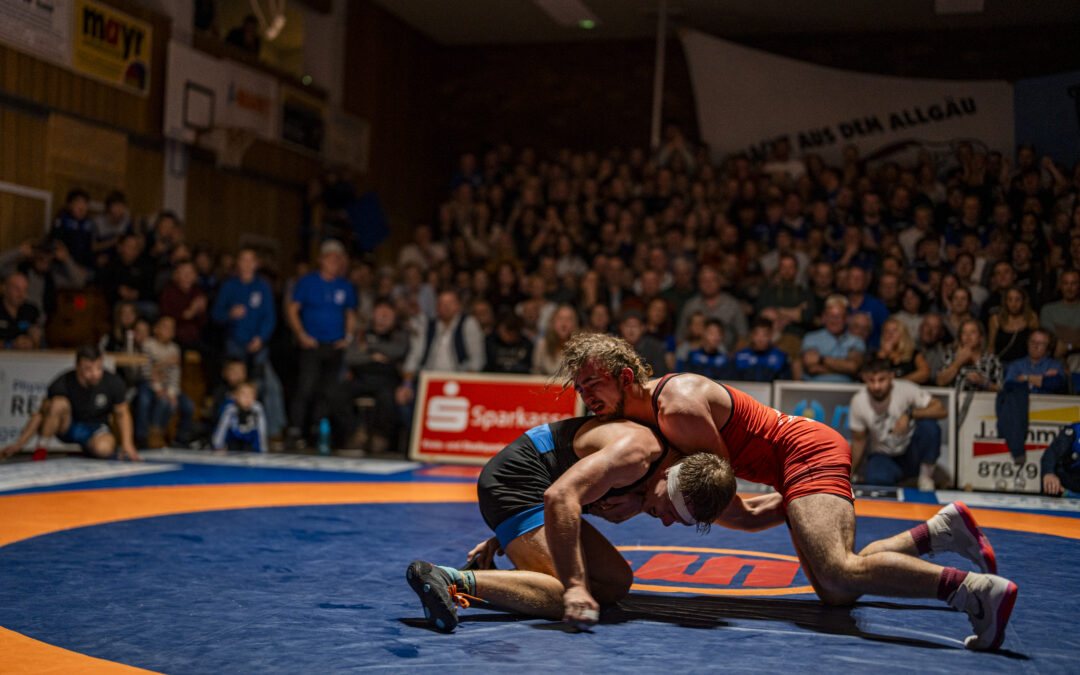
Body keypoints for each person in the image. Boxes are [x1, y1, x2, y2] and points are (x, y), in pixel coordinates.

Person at [552, 332, 1016, 649]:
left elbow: (719, 488)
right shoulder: (642, 414)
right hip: (788, 467)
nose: (585, 394)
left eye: (593, 383)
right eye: (580, 385)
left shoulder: (675, 407)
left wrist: (640, 504)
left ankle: (974, 593)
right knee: (837, 592)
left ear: (626, 376)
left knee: (836, 567)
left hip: (805, 454)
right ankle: (938, 532)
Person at [405, 415, 737, 632]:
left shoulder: (651, 488)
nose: (665, 522)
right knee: (566, 595)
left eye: (677, 522)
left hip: (538, 489)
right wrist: (575, 585)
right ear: (667, 476)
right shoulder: (636, 456)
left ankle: (512, 580)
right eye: (669, 510)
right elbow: (560, 496)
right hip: (516, 479)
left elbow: (567, 492)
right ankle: (449, 578)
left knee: (615, 583)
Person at [1, 345, 141, 461]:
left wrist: (127, 444)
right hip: (68, 426)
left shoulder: (112, 382)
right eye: (89, 369)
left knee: (104, 449)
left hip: (96, 428)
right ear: (78, 367)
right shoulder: (63, 383)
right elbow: (40, 415)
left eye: (98, 368)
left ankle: (88, 449)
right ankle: (41, 449)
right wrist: (19, 444)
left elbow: (123, 413)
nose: (95, 374)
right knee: (57, 403)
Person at [285, 239, 357, 446]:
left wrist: (348, 337)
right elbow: (292, 309)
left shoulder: (345, 285)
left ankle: (316, 431)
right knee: (306, 387)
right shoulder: (308, 282)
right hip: (312, 344)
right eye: (331, 257)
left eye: (338, 258)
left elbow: (350, 313)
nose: (335, 262)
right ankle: (295, 430)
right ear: (322, 259)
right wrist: (300, 335)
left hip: (335, 345)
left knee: (327, 391)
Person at [211, 247, 285, 437]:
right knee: (234, 389)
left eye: (250, 260)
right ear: (238, 263)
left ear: (256, 264)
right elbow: (216, 314)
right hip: (234, 346)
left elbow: (270, 317)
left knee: (268, 386)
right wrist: (230, 314)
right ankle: (227, 431)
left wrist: (260, 337)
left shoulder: (262, 287)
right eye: (242, 259)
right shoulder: (230, 286)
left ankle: (271, 431)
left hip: (257, 346)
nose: (246, 264)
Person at [849, 358, 948, 490]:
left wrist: (910, 414)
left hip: (910, 452)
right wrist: (848, 474)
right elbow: (858, 441)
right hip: (883, 455)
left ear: (891, 377)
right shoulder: (859, 401)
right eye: (871, 381)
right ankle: (906, 481)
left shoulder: (906, 389)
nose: (876, 386)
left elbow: (941, 410)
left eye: (881, 380)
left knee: (929, 426)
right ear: (864, 378)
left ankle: (925, 478)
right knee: (875, 481)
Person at [800, 295, 866, 382]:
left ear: (847, 318)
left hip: (848, 391)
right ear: (824, 317)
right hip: (815, 390)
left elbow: (853, 367)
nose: (834, 321)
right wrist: (843, 369)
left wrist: (821, 359)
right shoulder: (811, 338)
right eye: (831, 316)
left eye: (839, 316)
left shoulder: (857, 341)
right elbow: (812, 368)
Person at [936, 318, 1003, 393]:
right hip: (954, 402)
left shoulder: (992, 360)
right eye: (964, 333)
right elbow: (940, 382)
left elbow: (1000, 390)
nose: (968, 336)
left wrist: (983, 382)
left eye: (973, 332)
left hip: (983, 402)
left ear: (981, 337)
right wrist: (958, 362)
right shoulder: (951, 356)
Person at [211, 381, 268, 453]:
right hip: (234, 440)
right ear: (235, 396)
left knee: (256, 436)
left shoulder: (257, 409)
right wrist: (217, 446)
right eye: (243, 394)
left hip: (249, 440)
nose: (247, 398)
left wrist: (263, 451)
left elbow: (261, 430)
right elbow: (222, 428)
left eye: (251, 395)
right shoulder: (230, 409)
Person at [1004, 329, 1066, 394]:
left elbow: (1056, 384)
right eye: (1032, 342)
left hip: (1047, 402)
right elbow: (1009, 387)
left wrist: (1026, 377)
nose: (1035, 346)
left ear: (1048, 347)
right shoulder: (1016, 365)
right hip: (1022, 402)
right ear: (1027, 343)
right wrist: (1042, 379)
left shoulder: (1055, 365)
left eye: (1040, 343)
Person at [875, 318, 930, 384]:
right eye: (886, 331)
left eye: (895, 330)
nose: (890, 333)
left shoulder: (914, 354)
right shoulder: (878, 355)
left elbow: (925, 373)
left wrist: (899, 382)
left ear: (903, 333)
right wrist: (882, 356)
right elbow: (872, 375)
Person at [0, 272, 43, 349]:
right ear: (4, 288)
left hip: (25, 358)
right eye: (16, 289)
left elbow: (37, 337)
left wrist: (32, 342)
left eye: (24, 290)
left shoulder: (31, 310)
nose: (21, 294)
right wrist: (11, 344)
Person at [1041, 422, 1080, 497]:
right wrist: (1049, 473)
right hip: (1067, 484)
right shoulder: (1075, 431)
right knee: (1050, 481)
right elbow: (1051, 453)